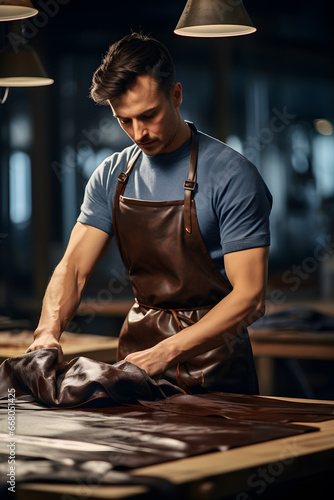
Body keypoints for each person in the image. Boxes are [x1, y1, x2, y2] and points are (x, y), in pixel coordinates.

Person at [26, 32, 272, 395]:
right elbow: (74, 269)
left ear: (176, 95)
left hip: (216, 371)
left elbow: (250, 297)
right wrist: (47, 332)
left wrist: (165, 353)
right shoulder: (112, 176)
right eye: (124, 121)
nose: (139, 133)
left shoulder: (232, 175)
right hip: (136, 363)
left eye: (149, 115)